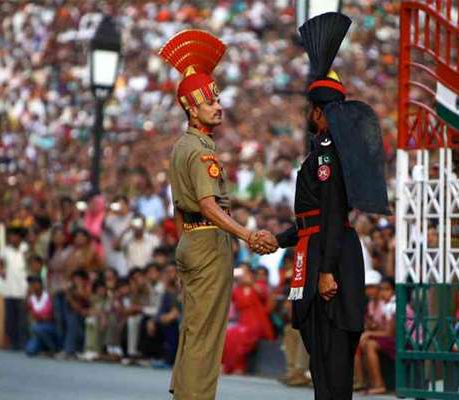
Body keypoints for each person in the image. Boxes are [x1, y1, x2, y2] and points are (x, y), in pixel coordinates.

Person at [269, 12, 390, 400]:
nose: (307, 116)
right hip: (322, 245)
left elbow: (333, 211)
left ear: (319, 113)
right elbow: (312, 216)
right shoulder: (327, 151)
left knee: (331, 359)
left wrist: (323, 272)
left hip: (329, 255)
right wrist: (278, 240)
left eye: (310, 109)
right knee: (323, 358)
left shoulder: (325, 153)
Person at [158, 29, 276, 399]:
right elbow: (209, 204)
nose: (217, 106)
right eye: (209, 101)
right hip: (208, 243)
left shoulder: (182, 147)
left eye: (217, 98)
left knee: (194, 328)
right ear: (191, 109)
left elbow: (180, 208)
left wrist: (187, 243)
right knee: (207, 335)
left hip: (192, 241)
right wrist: (247, 235)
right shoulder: (202, 152)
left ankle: (184, 391)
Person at [0, 224, 29, 351]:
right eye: (10, 236)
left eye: (15, 236)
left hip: (22, 289)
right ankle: (12, 343)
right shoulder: (6, 251)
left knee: (22, 320)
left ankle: (22, 343)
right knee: (10, 319)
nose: (12, 239)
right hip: (9, 289)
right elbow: (1, 257)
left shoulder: (26, 249)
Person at [25, 276, 57, 356]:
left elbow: (47, 316)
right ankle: (44, 347)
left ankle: (53, 348)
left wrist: (38, 316)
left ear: (40, 285)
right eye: (30, 284)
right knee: (30, 351)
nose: (32, 286)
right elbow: (30, 315)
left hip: (50, 325)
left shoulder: (48, 296)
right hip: (38, 326)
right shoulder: (31, 299)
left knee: (35, 328)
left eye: (34, 283)